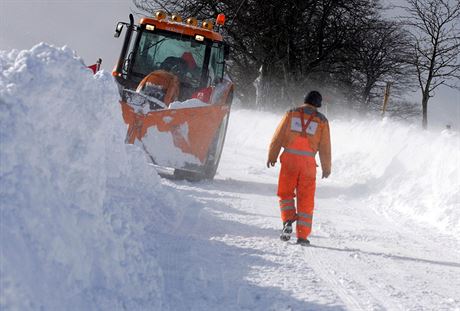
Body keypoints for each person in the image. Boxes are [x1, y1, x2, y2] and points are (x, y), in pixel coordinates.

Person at [267, 91, 331, 246]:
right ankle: (302, 236)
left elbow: (278, 136)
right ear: (318, 104)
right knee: (306, 199)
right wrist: (326, 167)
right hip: (308, 165)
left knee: (286, 193)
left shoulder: (291, 113)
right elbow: (325, 146)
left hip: (289, 161)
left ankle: (288, 220)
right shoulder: (322, 120)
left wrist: (272, 155)